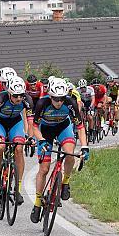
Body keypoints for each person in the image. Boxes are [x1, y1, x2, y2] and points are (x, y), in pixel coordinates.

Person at [30, 78, 89, 223]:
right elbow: (34, 126)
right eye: (56, 99)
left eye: (62, 98)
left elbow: (80, 127)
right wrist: (41, 140)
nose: (59, 102)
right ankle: (37, 203)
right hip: (45, 131)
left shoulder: (70, 103)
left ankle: (65, 182)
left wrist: (85, 146)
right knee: (43, 169)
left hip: (63, 127)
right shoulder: (42, 103)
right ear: (50, 96)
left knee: (69, 154)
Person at [0, 76, 33, 205]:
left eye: (21, 95)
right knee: (1, 147)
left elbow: (30, 122)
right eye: (15, 96)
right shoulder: (0, 99)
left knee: (19, 148)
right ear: (9, 93)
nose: (19, 99)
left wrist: (30, 137)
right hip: (0, 123)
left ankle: (17, 189)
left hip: (15, 123)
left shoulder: (27, 100)